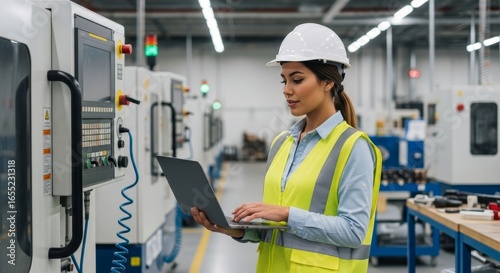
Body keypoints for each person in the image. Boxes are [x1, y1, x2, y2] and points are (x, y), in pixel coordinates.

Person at [191, 23, 382, 273]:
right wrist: (233, 229)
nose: (286, 90)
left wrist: (286, 213)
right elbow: (276, 232)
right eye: (284, 80)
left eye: (297, 79)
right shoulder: (282, 142)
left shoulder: (353, 147)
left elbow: (353, 231)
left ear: (328, 81)